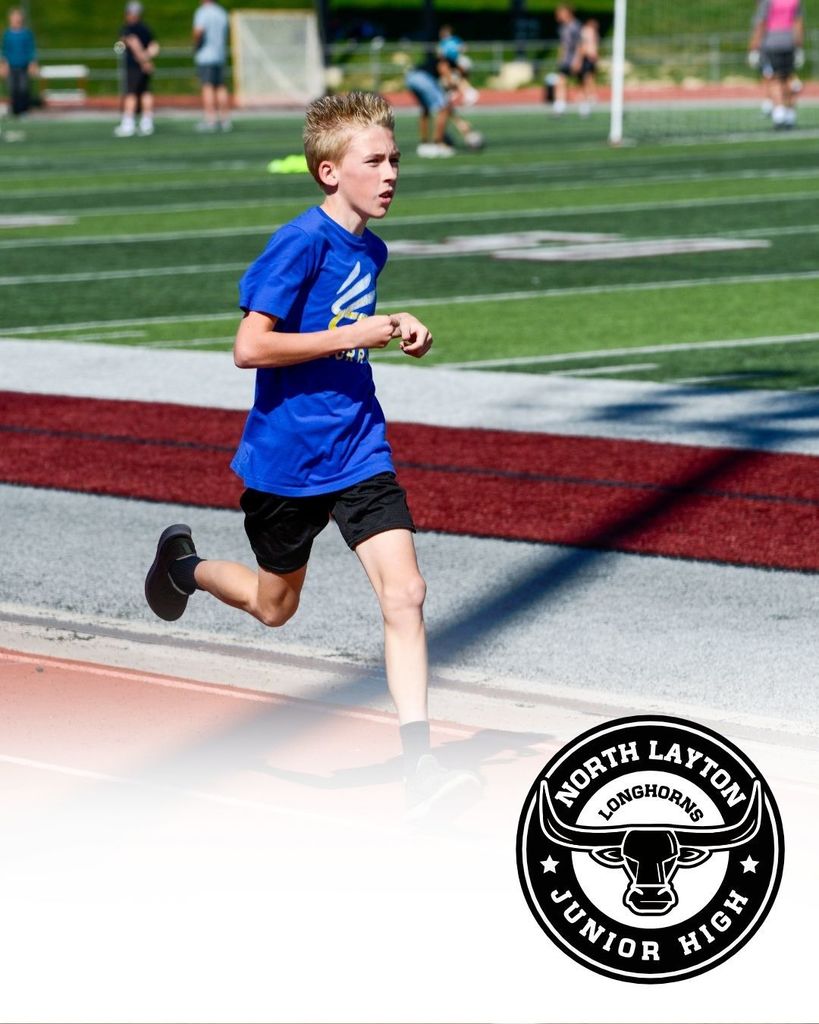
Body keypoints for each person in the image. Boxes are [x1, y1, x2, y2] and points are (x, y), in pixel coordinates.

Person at [144, 91, 481, 818]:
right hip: (287, 460)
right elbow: (249, 346)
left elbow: (349, 321)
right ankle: (182, 566)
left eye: (395, 159)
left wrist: (397, 325)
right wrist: (352, 336)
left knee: (407, 594)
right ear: (330, 172)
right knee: (275, 605)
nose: (391, 172)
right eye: (375, 161)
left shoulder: (371, 246)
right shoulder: (298, 242)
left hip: (359, 447)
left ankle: (418, 768)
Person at [748, 0, 805, 129]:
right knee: (788, 78)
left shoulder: (767, 2)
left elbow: (761, 24)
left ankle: (779, 115)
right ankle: (790, 116)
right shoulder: (795, 1)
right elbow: (798, 24)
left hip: (771, 44)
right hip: (789, 43)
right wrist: (799, 47)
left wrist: (754, 48)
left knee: (775, 79)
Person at [114, 1, 159, 137]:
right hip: (143, 66)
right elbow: (154, 46)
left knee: (131, 94)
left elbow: (134, 43)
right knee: (145, 92)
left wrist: (143, 61)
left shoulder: (128, 28)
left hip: (134, 66)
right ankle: (147, 123)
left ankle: (128, 124)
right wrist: (148, 58)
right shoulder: (146, 28)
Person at [405, 51, 455, 157]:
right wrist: (452, 85)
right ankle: (439, 144)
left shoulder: (432, 60)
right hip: (423, 79)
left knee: (425, 110)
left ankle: (424, 144)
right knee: (444, 109)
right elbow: (445, 71)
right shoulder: (445, 61)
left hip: (411, 78)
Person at [193, 0, 230, 132]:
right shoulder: (222, 12)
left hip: (206, 55)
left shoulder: (202, 12)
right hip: (220, 55)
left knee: (207, 87)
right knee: (220, 87)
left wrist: (196, 45)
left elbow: (199, 31)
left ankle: (211, 119)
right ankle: (225, 119)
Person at [1, 7, 38, 117]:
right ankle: (15, 110)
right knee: (13, 89)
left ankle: (23, 110)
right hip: (11, 66)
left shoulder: (26, 33)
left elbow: (31, 49)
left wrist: (32, 63)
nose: (16, 19)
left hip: (23, 66)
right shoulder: (7, 34)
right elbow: (4, 50)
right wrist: (3, 64)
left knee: (23, 88)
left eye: (18, 16)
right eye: (13, 16)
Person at [552, 4, 582, 116]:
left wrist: (577, 60)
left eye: (561, 13)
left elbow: (580, 44)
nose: (559, 15)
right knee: (560, 80)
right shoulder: (562, 27)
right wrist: (560, 57)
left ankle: (584, 105)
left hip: (575, 58)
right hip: (566, 59)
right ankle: (560, 106)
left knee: (581, 82)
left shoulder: (575, 26)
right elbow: (563, 45)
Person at [573, 18, 599, 117]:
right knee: (585, 78)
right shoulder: (586, 31)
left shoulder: (592, 31)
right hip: (586, 57)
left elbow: (593, 45)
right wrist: (579, 59)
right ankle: (587, 95)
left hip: (590, 57)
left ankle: (590, 95)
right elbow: (583, 46)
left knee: (589, 77)